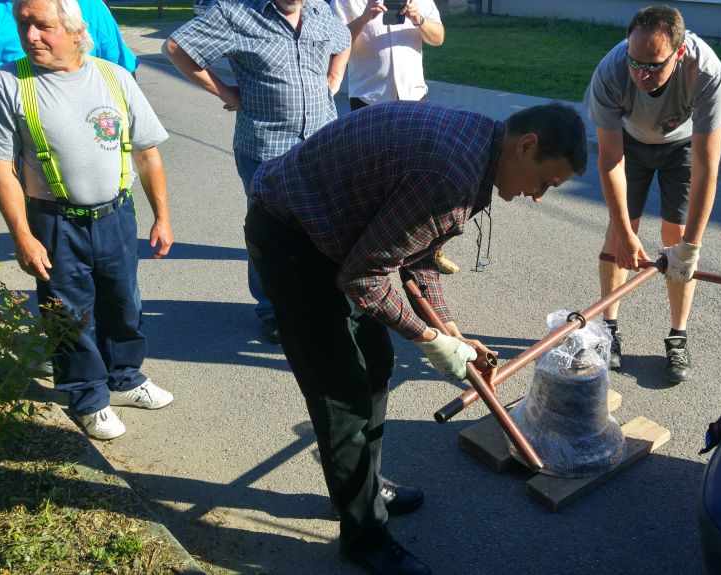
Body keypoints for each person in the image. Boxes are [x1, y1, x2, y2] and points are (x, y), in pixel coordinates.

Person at [244, 101, 587, 575]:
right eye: (546, 181)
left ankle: (363, 489)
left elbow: (418, 255)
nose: (539, 196)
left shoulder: (477, 148)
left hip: (337, 238)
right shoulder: (449, 175)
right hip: (293, 240)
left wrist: (450, 330)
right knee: (342, 396)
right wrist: (430, 338)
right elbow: (363, 278)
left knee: (376, 365)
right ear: (526, 146)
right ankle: (364, 536)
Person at [0, 0, 175, 440]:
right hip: (54, 222)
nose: (30, 36)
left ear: (77, 31)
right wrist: (22, 236)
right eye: (24, 24)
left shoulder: (114, 77)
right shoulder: (8, 83)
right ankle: (88, 397)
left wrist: (162, 217)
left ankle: (124, 378)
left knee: (123, 303)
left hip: (116, 215)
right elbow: (1, 169)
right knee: (68, 314)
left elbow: (147, 152)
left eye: (42, 26)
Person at [163, 0, 351, 345]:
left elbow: (344, 40)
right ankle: (271, 309)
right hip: (266, 146)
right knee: (268, 232)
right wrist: (226, 93)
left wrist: (334, 77)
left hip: (320, 141)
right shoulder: (234, 12)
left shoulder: (318, 10)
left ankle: (318, 300)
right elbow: (176, 48)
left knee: (322, 226)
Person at [587, 5, 721, 384]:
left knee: (676, 239)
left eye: (652, 66)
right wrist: (625, 233)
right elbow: (610, 160)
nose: (641, 74)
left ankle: (678, 336)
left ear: (679, 53)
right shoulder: (611, 72)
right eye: (635, 63)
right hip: (630, 143)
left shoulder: (706, 71)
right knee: (619, 234)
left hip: (682, 145)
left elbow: (706, 168)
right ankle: (609, 329)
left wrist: (690, 249)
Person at [329, 0, 460, 275]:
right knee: (369, 179)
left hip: (413, 96)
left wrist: (419, 19)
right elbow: (334, 42)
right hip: (369, 99)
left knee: (422, 178)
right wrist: (365, 17)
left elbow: (438, 37)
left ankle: (428, 251)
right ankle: (364, 251)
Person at [0, 0, 137, 136]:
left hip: (90, 137)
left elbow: (121, 72)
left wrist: (119, 137)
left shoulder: (88, 4)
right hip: (18, 144)